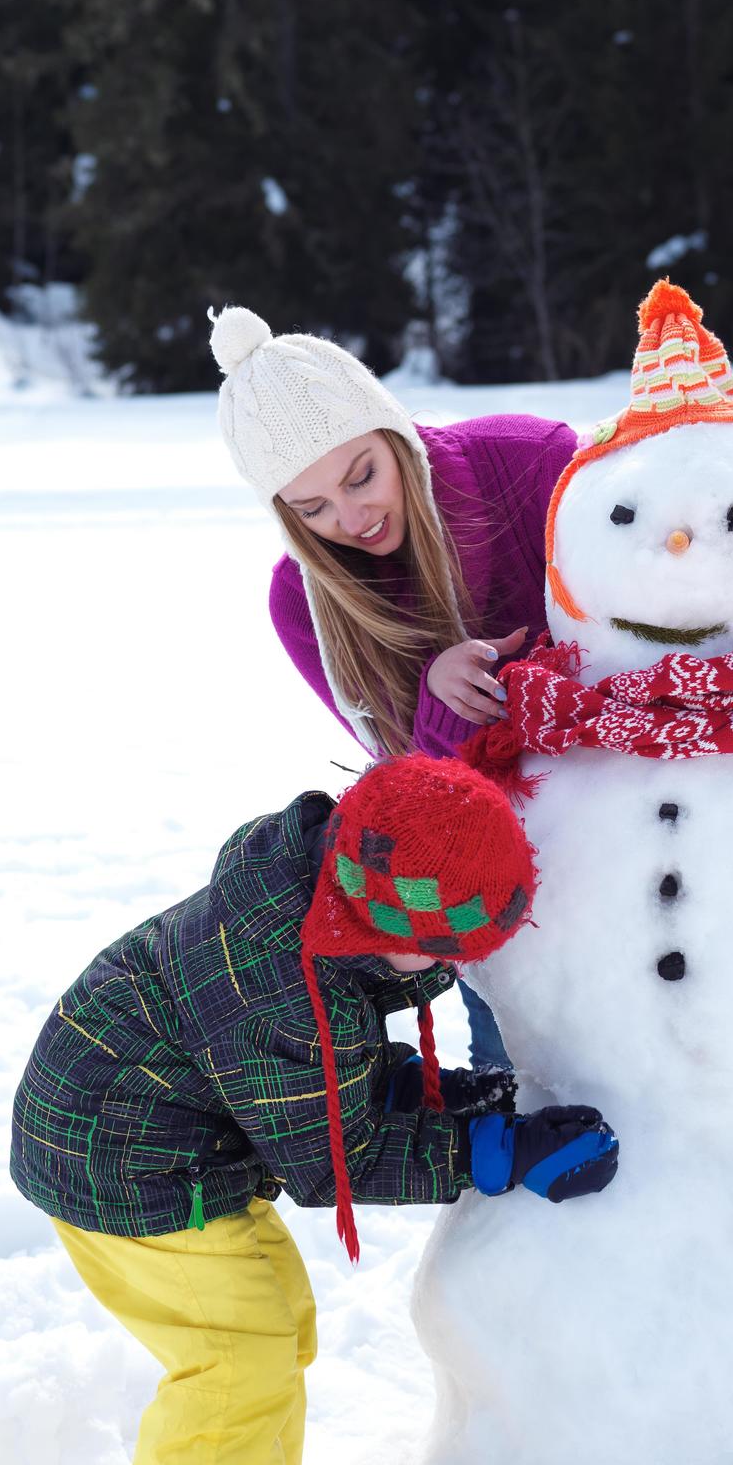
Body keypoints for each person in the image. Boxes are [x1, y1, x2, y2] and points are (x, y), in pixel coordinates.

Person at [9, 753, 619, 1465]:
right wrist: (500, 1152)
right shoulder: (277, 987)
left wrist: (435, 1092)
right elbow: (338, 1160)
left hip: (180, 1138)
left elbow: (328, 1075)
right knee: (234, 1366)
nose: (452, 970)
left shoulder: (325, 903)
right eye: (446, 952)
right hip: (123, 1165)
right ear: (391, 918)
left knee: (277, 1330)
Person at [208, 304, 579, 1076]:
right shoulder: (305, 604)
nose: (350, 516)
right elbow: (418, 807)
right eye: (311, 509)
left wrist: (530, 672)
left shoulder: (530, 462)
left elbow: (653, 618)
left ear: (394, 435)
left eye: (361, 475)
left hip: (644, 816)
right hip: (509, 887)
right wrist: (440, 705)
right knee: (533, 1088)